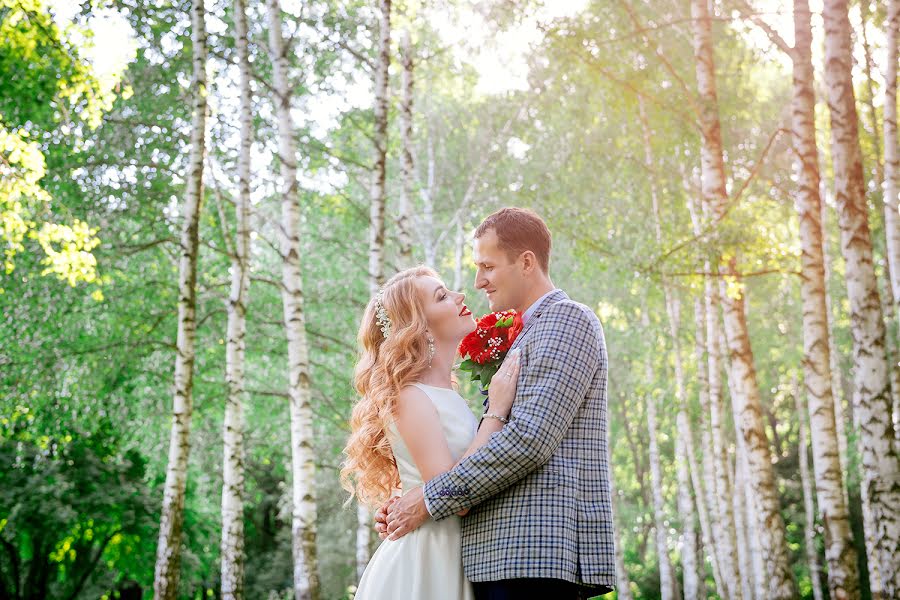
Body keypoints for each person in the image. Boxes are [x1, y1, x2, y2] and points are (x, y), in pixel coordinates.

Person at [376, 207, 615, 599]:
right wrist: (412, 492)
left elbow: (528, 440)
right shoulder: (523, 334)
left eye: (487, 266)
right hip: (494, 557)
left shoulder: (567, 319)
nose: (477, 281)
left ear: (525, 262)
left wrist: (427, 499)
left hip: (535, 551)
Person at [341, 265, 522, 600]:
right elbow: (453, 497)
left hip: (454, 551)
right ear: (419, 328)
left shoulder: (445, 395)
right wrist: (496, 412)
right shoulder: (410, 397)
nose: (460, 296)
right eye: (442, 296)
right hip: (425, 562)